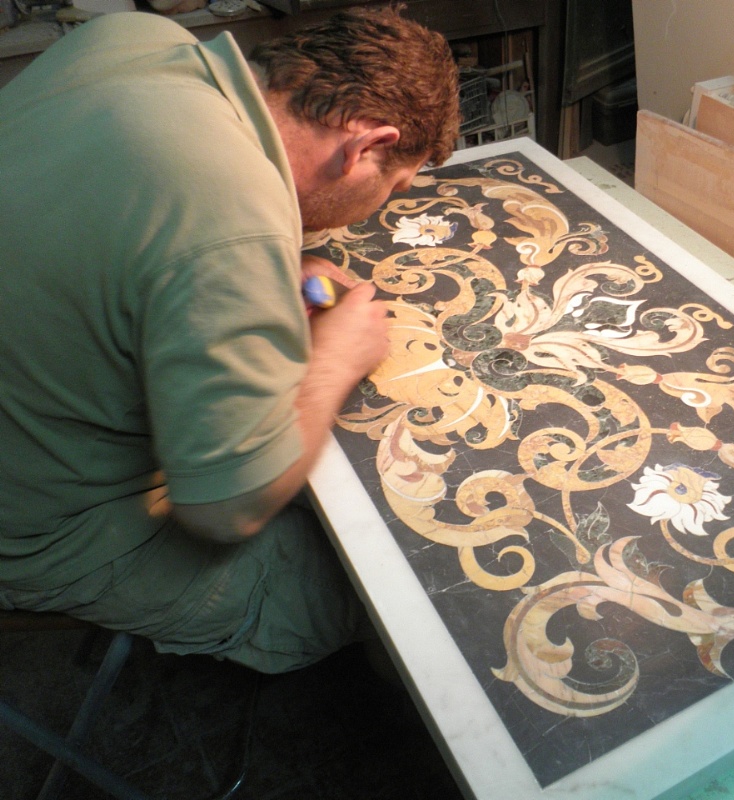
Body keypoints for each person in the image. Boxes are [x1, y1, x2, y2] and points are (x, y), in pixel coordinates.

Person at [0, 6, 459, 673]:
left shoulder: (133, 36)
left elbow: (153, 225)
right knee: (370, 589)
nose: (382, 204)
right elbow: (225, 509)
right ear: (365, 149)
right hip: (39, 528)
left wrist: (258, 265)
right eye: (396, 184)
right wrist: (336, 357)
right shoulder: (228, 215)